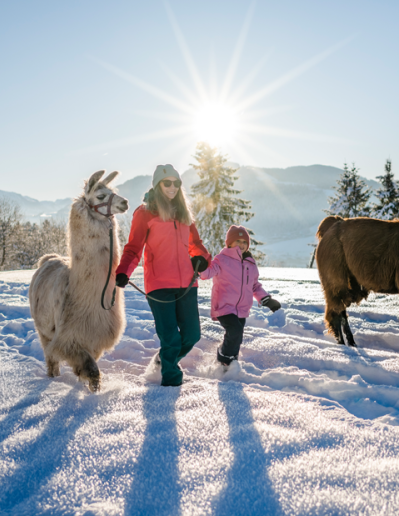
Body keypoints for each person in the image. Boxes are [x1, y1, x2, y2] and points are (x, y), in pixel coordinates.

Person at [115, 164, 211, 386]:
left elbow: (196, 245)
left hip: (187, 283)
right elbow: (133, 248)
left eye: (176, 183)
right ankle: (171, 384)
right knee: (170, 338)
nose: (172, 187)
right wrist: (123, 271)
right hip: (159, 285)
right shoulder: (145, 213)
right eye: (167, 183)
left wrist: (201, 259)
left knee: (192, 335)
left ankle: (164, 360)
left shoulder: (184, 213)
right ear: (158, 184)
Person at [199, 225, 281, 368]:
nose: (242, 245)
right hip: (224, 307)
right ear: (229, 243)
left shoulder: (250, 263)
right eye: (238, 241)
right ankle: (224, 359)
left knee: (237, 335)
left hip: (242, 309)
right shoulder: (221, 259)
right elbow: (208, 273)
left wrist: (266, 299)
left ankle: (232, 362)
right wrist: (200, 267)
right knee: (235, 330)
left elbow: (254, 285)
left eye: (244, 242)